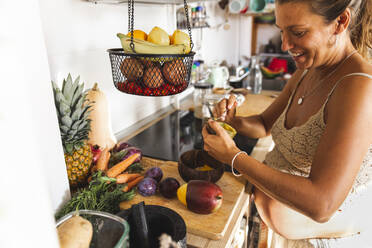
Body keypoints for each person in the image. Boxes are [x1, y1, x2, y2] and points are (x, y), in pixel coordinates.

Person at [202, 0, 372, 247]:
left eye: (298, 32)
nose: (285, 45)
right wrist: (233, 121)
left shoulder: (359, 88)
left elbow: (321, 205)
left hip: (318, 241)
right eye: (281, 30)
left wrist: (235, 157)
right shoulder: (308, 70)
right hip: (270, 223)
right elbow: (263, 124)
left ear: (340, 22)